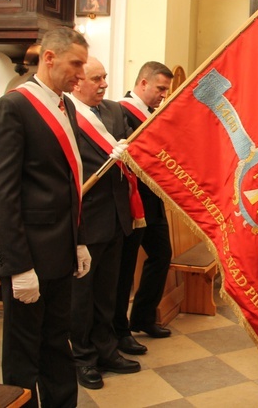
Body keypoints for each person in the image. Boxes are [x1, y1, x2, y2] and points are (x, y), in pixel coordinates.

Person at [0, 27, 98, 407]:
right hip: (29, 256)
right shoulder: (13, 106)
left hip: (60, 252)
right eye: (75, 64)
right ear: (49, 58)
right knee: (22, 354)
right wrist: (17, 266)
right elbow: (2, 195)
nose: (81, 74)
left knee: (56, 342)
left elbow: (68, 182)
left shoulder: (64, 105)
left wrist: (78, 240)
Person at [67, 57, 141, 389]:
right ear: (76, 82)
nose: (104, 84)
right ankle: (83, 358)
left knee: (106, 293)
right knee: (80, 297)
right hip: (85, 219)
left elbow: (131, 148)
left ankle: (107, 350)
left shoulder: (112, 111)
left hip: (116, 216)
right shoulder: (66, 114)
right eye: (96, 79)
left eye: (105, 77)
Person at [114, 61, 174, 351]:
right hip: (131, 201)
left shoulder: (152, 113)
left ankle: (143, 317)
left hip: (153, 199)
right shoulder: (121, 111)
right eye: (160, 88)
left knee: (162, 255)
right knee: (124, 267)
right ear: (143, 84)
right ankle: (119, 329)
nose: (163, 94)